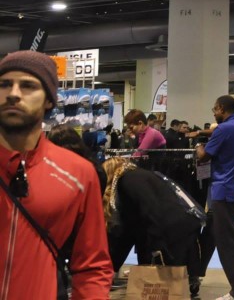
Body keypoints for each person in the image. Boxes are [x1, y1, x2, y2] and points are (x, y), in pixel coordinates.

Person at [0, 50, 113, 299]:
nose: (13, 94)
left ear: (49, 100)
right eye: (4, 84)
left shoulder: (78, 173)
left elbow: (92, 265)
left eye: (28, 86)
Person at [102, 158, 203, 284]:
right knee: (178, 282)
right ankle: (190, 280)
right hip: (184, 222)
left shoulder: (126, 182)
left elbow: (139, 221)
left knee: (161, 285)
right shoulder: (142, 175)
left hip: (169, 228)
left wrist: (155, 247)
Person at [195, 94, 234, 300]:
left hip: (224, 192)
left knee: (225, 242)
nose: (214, 113)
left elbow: (203, 157)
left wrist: (198, 146)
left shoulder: (223, 129)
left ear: (221, 108)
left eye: (214, 109)